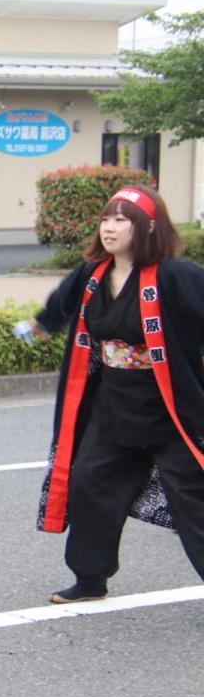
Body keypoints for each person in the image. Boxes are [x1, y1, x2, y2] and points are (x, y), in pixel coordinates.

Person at [27, 184, 204, 604]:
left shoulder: (175, 275)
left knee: (193, 497)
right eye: (107, 218)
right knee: (90, 483)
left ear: (147, 227)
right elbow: (59, 305)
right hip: (113, 406)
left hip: (168, 408)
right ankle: (90, 579)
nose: (110, 227)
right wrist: (39, 325)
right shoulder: (92, 275)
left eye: (121, 219)